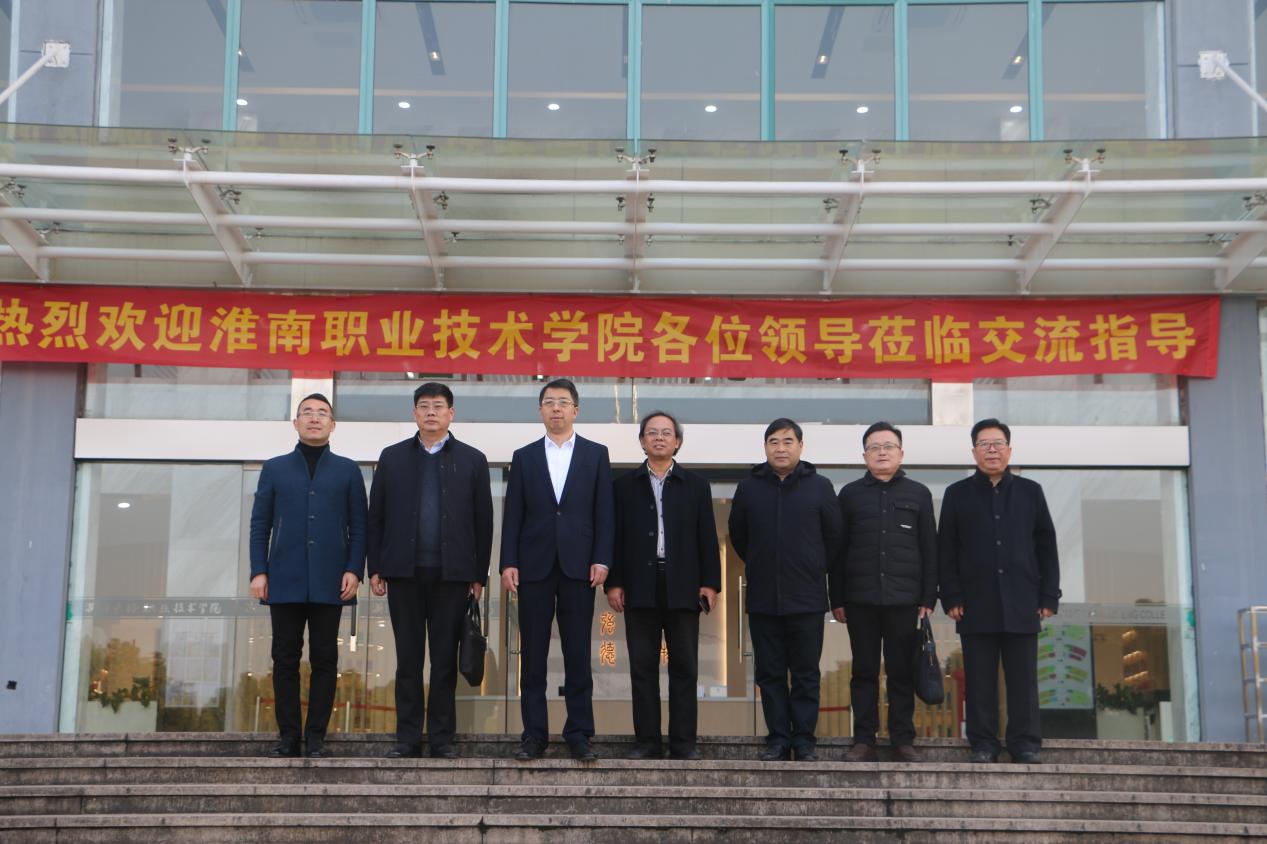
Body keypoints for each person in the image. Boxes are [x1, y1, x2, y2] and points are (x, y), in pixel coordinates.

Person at [366, 382, 493, 759]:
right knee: (407, 660)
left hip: (452, 576)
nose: (431, 412)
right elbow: (376, 516)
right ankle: (407, 739)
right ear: (414, 413)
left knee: (443, 662)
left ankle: (441, 739)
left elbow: (483, 521)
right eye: (424, 406)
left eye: (438, 406)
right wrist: (376, 566)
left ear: (451, 413)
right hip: (403, 573)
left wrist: (478, 575)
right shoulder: (392, 457)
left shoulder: (473, 460)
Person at [500, 378, 614, 761]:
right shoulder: (525, 456)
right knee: (532, 656)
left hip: (579, 567)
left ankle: (579, 733)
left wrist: (602, 557)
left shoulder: (596, 454)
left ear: (575, 410)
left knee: (577, 654)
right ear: (540, 410)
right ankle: (534, 735)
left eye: (563, 402)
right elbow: (514, 513)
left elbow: (604, 512)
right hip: (533, 566)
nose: (556, 408)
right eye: (549, 402)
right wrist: (508, 561)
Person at [249, 393, 367, 758]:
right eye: (307, 413)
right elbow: (260, 524)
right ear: (295, 422)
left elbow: (360, 526)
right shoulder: (275, 468)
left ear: (333, 424)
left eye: (322, 413)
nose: (314, 418)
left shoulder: (348, 470)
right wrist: (259, 571)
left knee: (324, 660)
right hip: (283, 578)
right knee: (284, 658)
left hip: (331, 580)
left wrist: (354, 569)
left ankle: (315, 737)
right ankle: (288, 736)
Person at [938, 418, 1060, 764]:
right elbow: (946, 549)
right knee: (979, 679)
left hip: (1023, 600)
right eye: (984, 444)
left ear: (1009, 449)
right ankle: (983, 744)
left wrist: (1048, 596)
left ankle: (1025, 743)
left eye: (998, 443)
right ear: (974, 451)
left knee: (1023, 680)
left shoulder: (1030, 492)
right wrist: (951, 596)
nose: (992, 450)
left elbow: (1046, 546)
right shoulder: (957, 494)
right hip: (975, 602)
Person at [607, 411, 721, 761]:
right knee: (642, 669)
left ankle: (683, 744)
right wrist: (614, 582)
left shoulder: (696, 485)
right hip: (639, 584)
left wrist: (710, 583)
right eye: (652, 433)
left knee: (684, 668)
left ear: (677, 442)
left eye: (666, 433)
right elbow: (615, 538)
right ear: (642, 441)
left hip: (683, 584)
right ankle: (647, 742)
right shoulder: (623, 486)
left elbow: (707, 537)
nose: (659, 438)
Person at [728, 418, 843, 762]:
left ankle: (804, 740)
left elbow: (834, 538)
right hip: (763, 598)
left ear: (801, 446)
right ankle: (778, 738)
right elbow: (739, 537)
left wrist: (811, 566)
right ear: (765, 447)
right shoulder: (749, 488)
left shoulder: (820, 487)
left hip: (807, 598)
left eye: (788, 441)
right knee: (770, 673)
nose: (781, 448)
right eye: (774, 441)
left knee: (806, 673)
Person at [832, 421, 937, 763]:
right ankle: (864, 739)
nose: (881, 452)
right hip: (859, 599)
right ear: (864, 455)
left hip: (904, 599)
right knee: (863, 672)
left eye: (888, 446)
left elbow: (929, 547)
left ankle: (902, 739)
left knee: (901, 672)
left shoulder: (919, 494)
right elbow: (838, 551)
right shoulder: (849, 495)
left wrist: (928, 597)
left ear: (901, 453)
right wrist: (837, 599)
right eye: (874, 447)